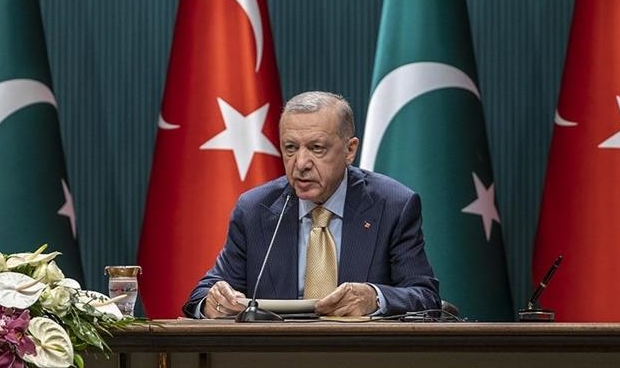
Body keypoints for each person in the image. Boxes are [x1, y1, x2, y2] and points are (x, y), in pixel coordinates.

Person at [182, 91, 440, 319]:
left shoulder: (392, 206)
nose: (300, 163)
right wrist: (213, 303)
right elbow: (203, 295)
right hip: (274, 351)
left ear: (350, 150)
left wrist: (375, 298)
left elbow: (426, 298)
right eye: (290, 148)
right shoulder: (255, 210)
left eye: (316, 148)